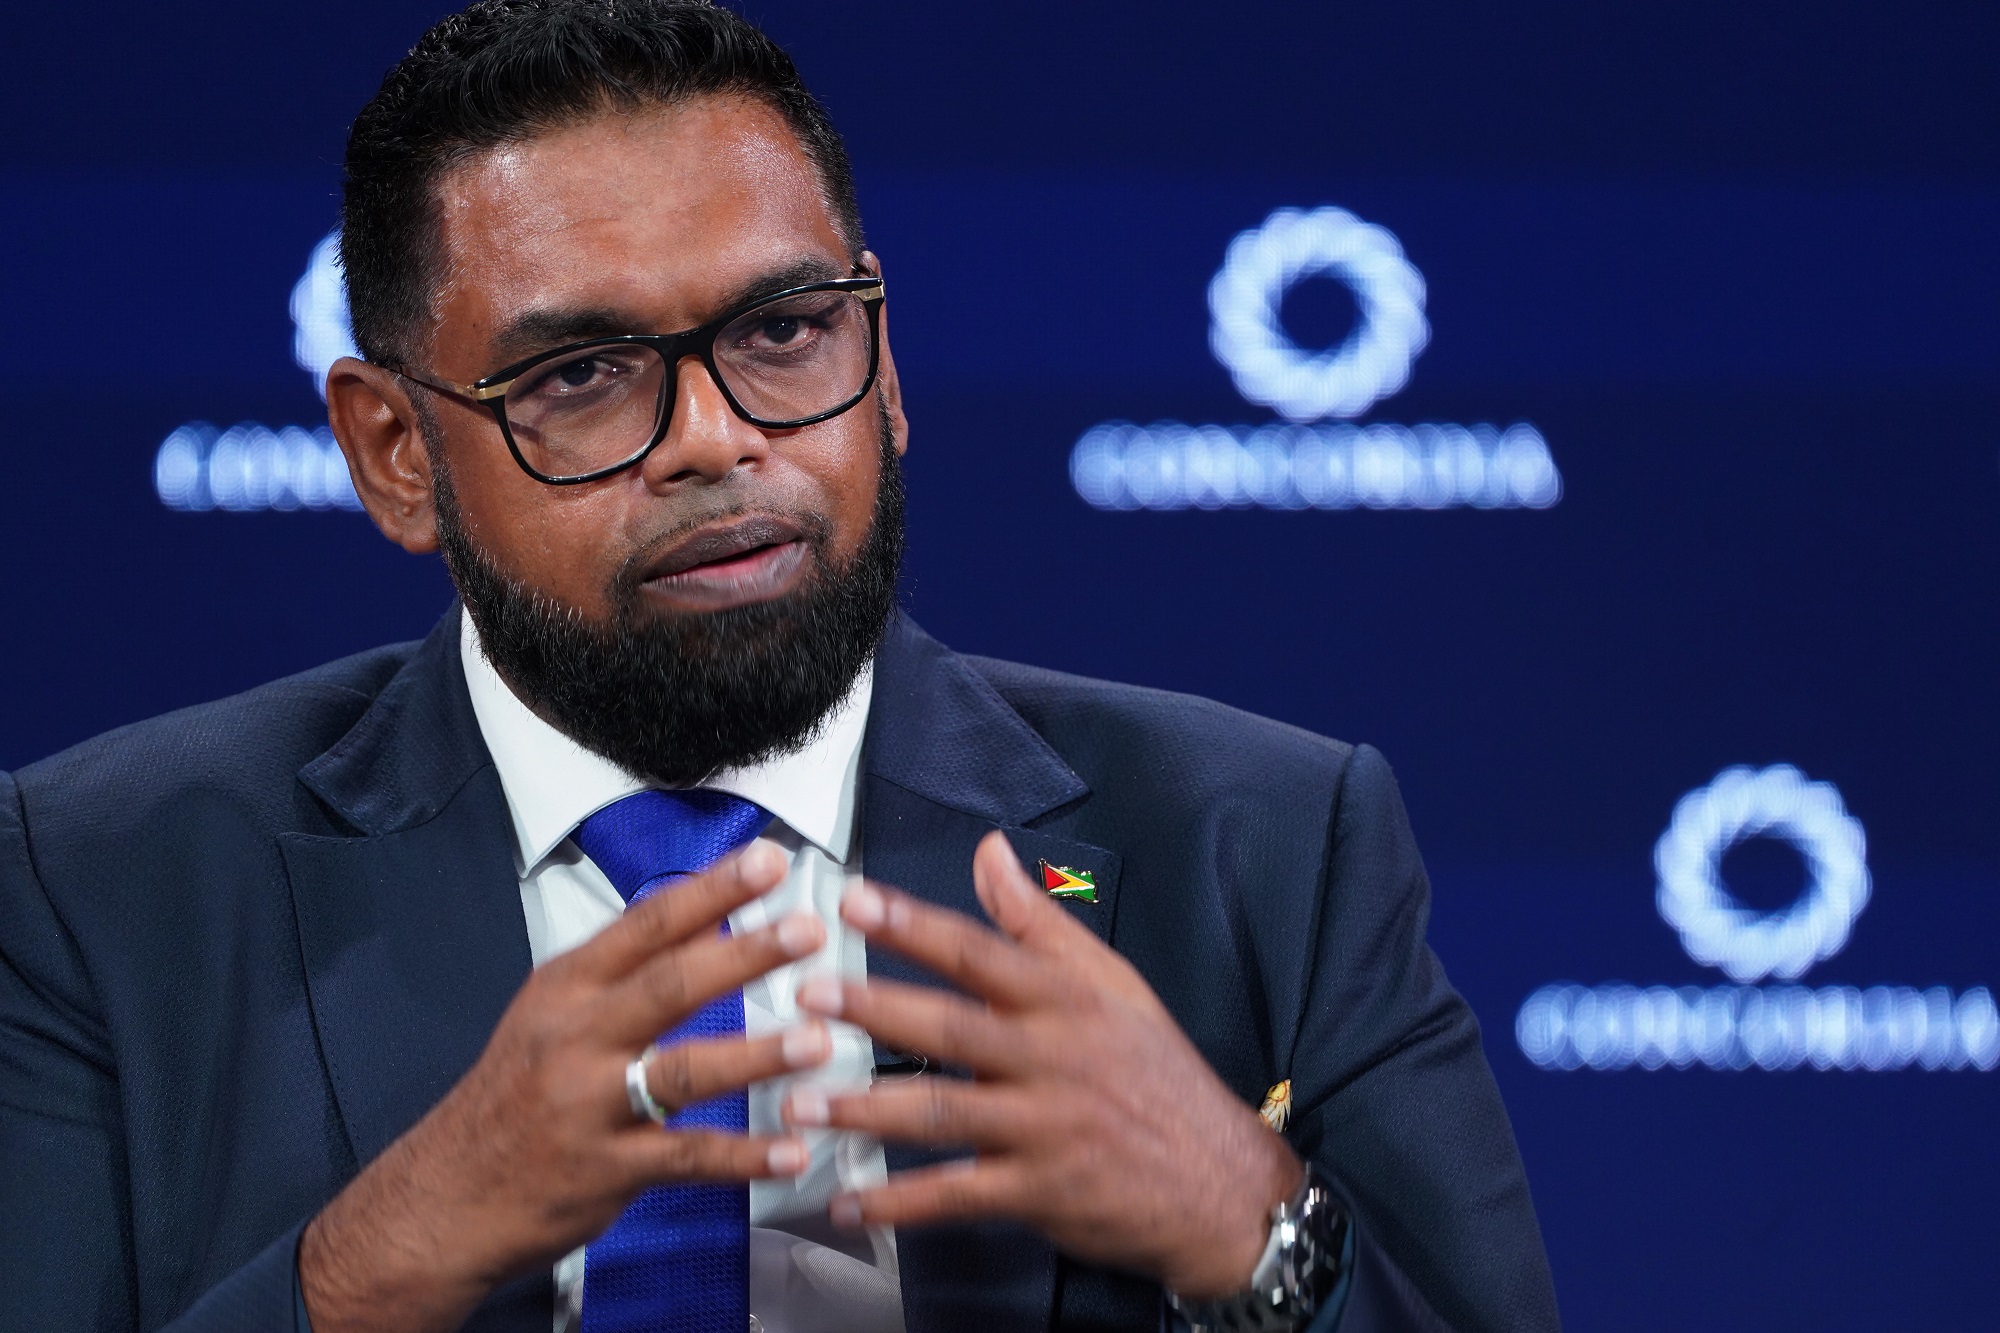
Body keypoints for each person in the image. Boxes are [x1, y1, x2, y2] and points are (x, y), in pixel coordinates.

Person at [0, 3, 1560, 1330]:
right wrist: (374, 1256)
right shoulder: (95, 883)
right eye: (585, 377)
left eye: (786, 331)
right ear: (394, 450)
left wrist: (1253, 1223)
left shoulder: (1270, 848)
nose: (716, 436)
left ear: (885, 369)